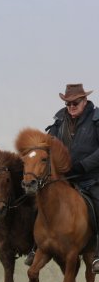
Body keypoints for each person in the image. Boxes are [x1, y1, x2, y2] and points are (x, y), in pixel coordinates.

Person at [45, 83, 99, 272]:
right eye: (68, 103)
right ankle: (37, 246)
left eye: (75, 102)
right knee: (39, 202)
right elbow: (48, 143)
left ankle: (97, 253)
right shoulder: (59, 120)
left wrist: (82, 166)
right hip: (63, 179)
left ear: (85, 100)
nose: (71, 107)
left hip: (91, 178)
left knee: (98, 204)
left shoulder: (96, 119)